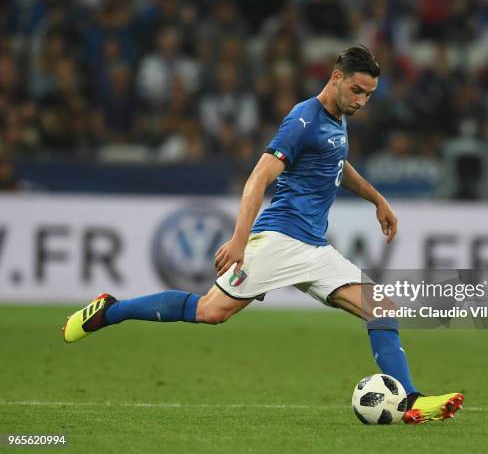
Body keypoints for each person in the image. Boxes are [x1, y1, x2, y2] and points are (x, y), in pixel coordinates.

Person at [62, 46, 463, 424]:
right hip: (278, 241)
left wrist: (378, 199)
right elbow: (258, 178)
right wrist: (239, 239)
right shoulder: (303, 119)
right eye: (357, 90)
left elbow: (338, 162)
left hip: (313, 248)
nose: (362, 101)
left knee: (382, 308)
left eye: (370, 95)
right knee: (210, 312)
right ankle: (109, 310)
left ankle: (410, 400)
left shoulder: (338, 118)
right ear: (336, 77)